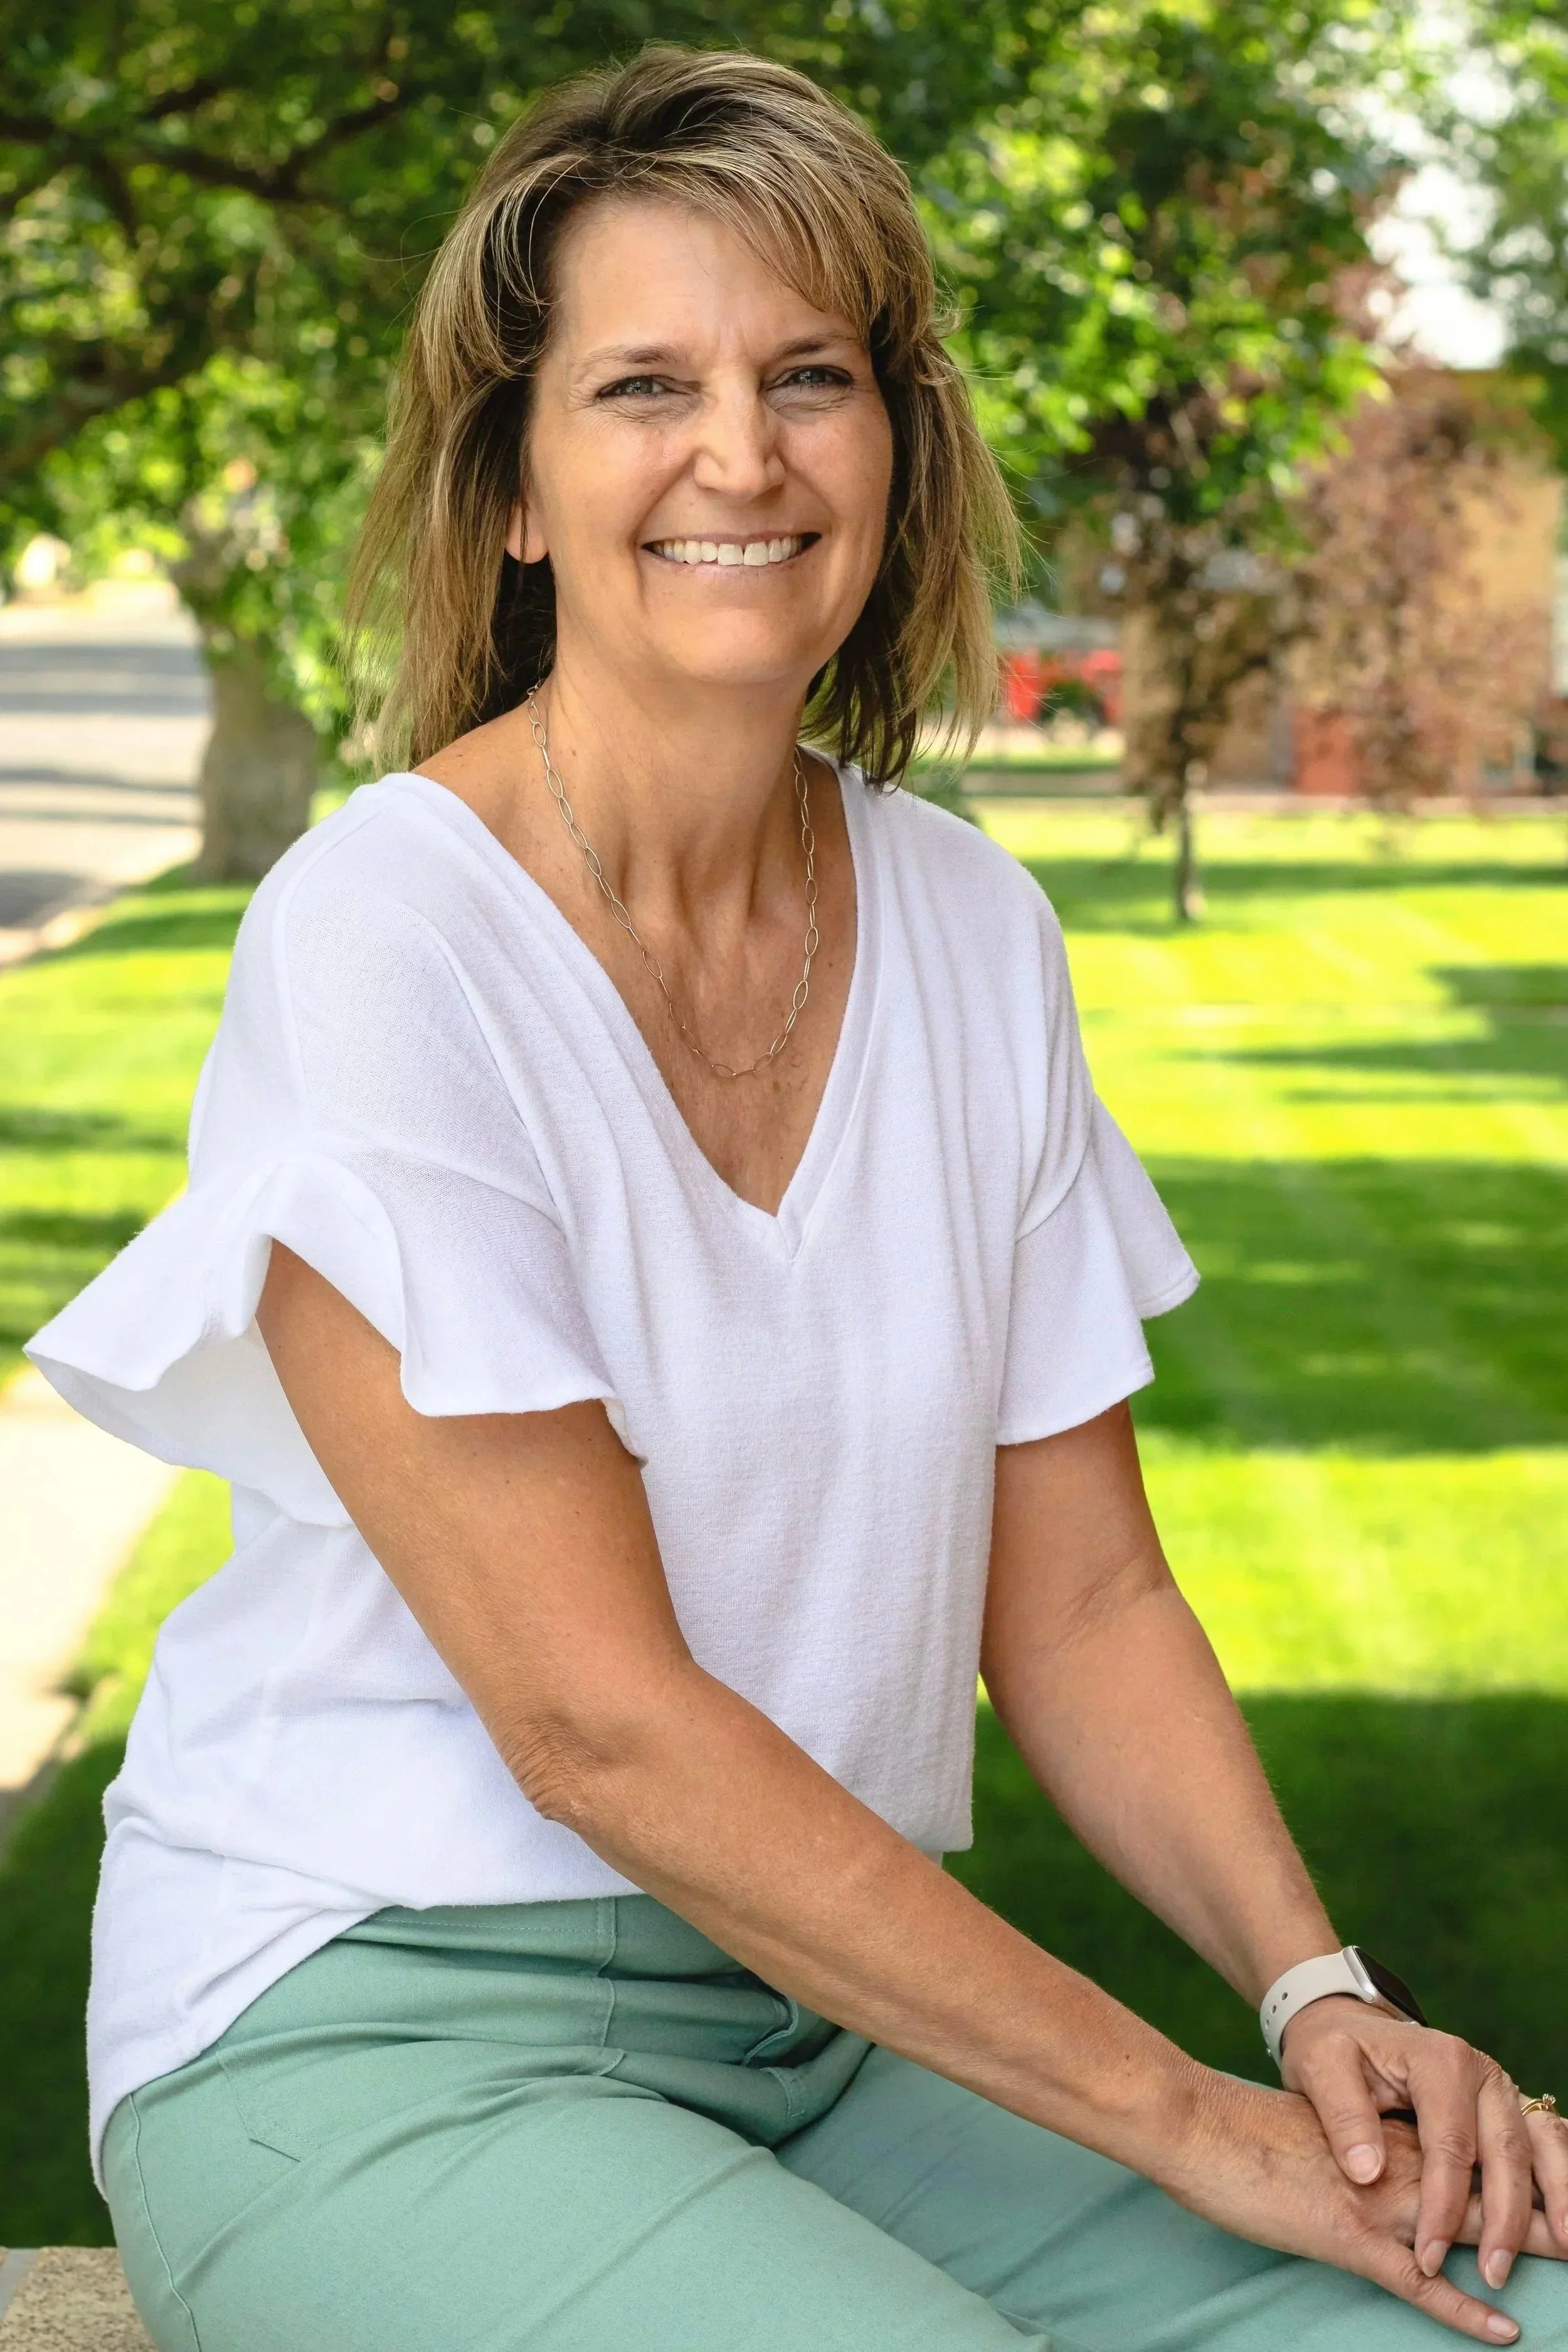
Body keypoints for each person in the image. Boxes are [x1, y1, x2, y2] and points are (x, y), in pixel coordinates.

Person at [27, 47, 1568, 2352]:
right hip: (366, 2026)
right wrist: (1176, 2115)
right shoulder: (385, 938)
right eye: (644, 382)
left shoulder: (969, 932)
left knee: (1503, 2312)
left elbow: (1086, 1602)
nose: (737, 454)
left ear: (895, 448)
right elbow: (600, 1731)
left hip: (821, 2026)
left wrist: (1307, 1999)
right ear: (518, 485)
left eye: (809, 378)